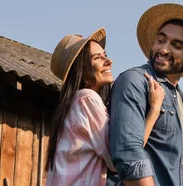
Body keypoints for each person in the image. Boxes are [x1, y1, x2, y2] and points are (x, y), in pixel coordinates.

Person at [107, 3, 183, 186]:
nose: (164, 49)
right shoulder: (135, 81)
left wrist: (182, 122)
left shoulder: (177, 97)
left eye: (177, 45)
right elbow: (129, 156)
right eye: (161, 40)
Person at [45, 28, 165, 186]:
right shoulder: (86, 99)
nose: (109, 61)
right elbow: (121, 154)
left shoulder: (75, 104)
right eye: (97, 58)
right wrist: (155, 109)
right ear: (81, 68)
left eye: (105, 55)